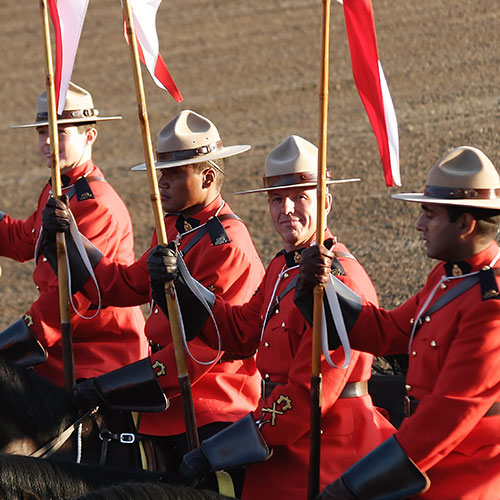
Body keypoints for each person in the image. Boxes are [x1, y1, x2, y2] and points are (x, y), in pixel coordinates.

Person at [150, 135, 395, 499]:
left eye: (300, 197)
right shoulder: (282, 266)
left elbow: (307, 397)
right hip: (282, 444)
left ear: (325, 202)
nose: (287, 210)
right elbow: (237, 333)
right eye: (277, 200)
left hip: (329, 452)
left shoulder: (339, 280)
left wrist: (217, 449)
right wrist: (183, 284)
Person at [41, 109, 265, 483]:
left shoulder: (227, 247)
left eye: (174, 173)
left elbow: (199, 354)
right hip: (163, 400)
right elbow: (122, 284)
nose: (161, 182)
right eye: (160, 172)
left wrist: (105, 386)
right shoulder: (174, 228)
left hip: (211, 405)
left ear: (208, 176)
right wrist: (70, 238)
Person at [301, 145, 500, 499]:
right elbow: (388, 332)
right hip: (422, 464)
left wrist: (352, 486)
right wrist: (323, 284)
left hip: (467, 477)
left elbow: (446, 415)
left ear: (466, 224)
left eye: (429, 214)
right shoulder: (446, 277)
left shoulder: (491, 306)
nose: (419, 225)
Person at [0, 82, 148, 386]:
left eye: (60, 132)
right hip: (63, 343)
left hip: (98, 350)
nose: (47, 142)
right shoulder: (59, 190)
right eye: (42, 132)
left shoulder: (95, 204)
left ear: (89, 136)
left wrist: (18, 338)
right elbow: (23, 239)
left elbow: (74, 295)